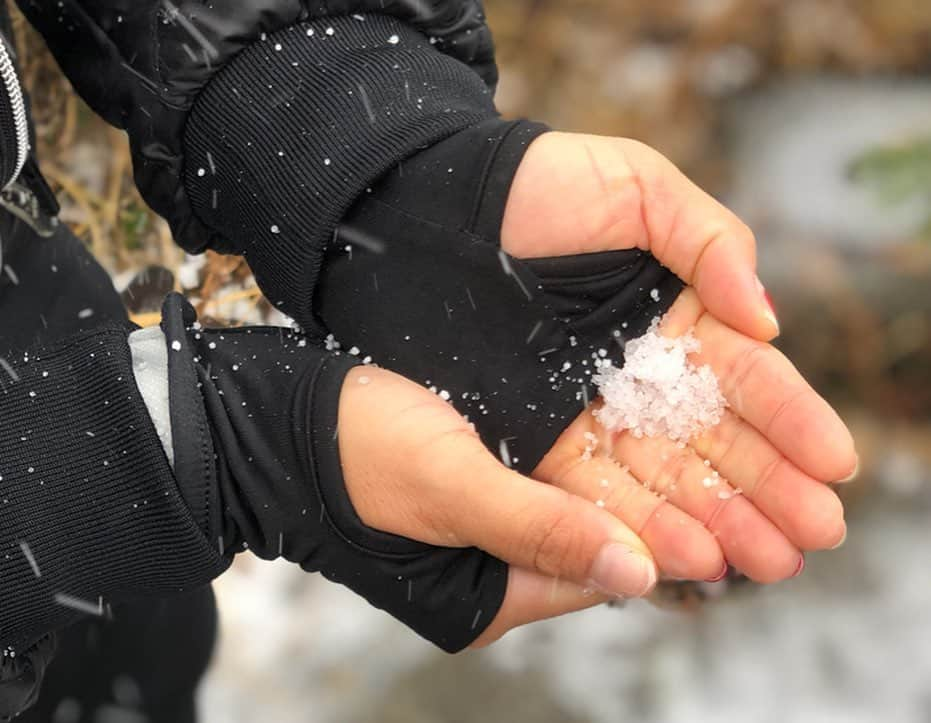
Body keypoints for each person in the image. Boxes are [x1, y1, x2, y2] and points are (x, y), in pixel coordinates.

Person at [0, 1, 857, 719]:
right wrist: (138, 466)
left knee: (123, 672)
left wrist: (332, 108)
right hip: (51, 500)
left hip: (40, 350)